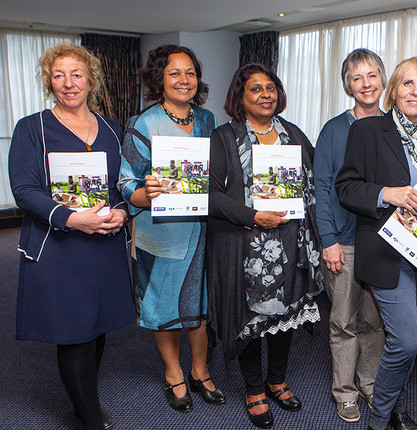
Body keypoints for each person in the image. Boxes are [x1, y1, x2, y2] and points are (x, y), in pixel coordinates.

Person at [8, 43, 135, 430]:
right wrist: (71, 219)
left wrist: (123, 210)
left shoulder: (113, 127)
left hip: (104, 245)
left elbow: (122, 186)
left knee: (96, 329)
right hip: (60, 245)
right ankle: (91, 417)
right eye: (59, 75)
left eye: (76, 74)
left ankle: (83, 403)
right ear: (49, 81)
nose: (68, 83)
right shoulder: (31, 128)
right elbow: (25, 190)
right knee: (74, 331)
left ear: (90, 79)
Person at [336, 56, 417, 430]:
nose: (415, 92)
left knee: (411, 339)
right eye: (408, 83)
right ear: (394, 90)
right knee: (404, 341)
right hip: (389, 253)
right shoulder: (369, 131)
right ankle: (380, 418)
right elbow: (346, 188)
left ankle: (395, 407)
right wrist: (388, 193)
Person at [207, 63, 323, 429]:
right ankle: (254, 389)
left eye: (271, 88)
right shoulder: (224, 137)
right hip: (246, 244)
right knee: (253, 319)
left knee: (285, 315)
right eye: (256, 88)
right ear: (240, 96)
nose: (265, 95)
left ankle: (277, 380)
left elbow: (315, 180)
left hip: (291, 242)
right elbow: (209, 194)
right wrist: (252, 216)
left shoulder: (294, 134)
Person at [118, 45, 225, 413]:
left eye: (190, 72)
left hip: (203, 231)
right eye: (175, 73)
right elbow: (125, 183)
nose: (184, 80)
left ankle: (200, 370)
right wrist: (145, 195)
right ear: (159, 79)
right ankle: (173, 373)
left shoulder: (209, 120)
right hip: (161, 232)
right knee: (165, 306)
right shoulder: (142, 123)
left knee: (199, 306)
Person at [314, 48, 386, 423]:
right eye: (357, 78)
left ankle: (370, 383)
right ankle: (344, 393)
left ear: (382, 79)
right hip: (343, 241)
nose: (365, 84)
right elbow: (322, 188)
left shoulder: (394, 125)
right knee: (343, 322)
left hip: (385, 243)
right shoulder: (334, 130)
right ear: (348, 85)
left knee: (375, 322)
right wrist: (328, 241)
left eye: (371, 75)